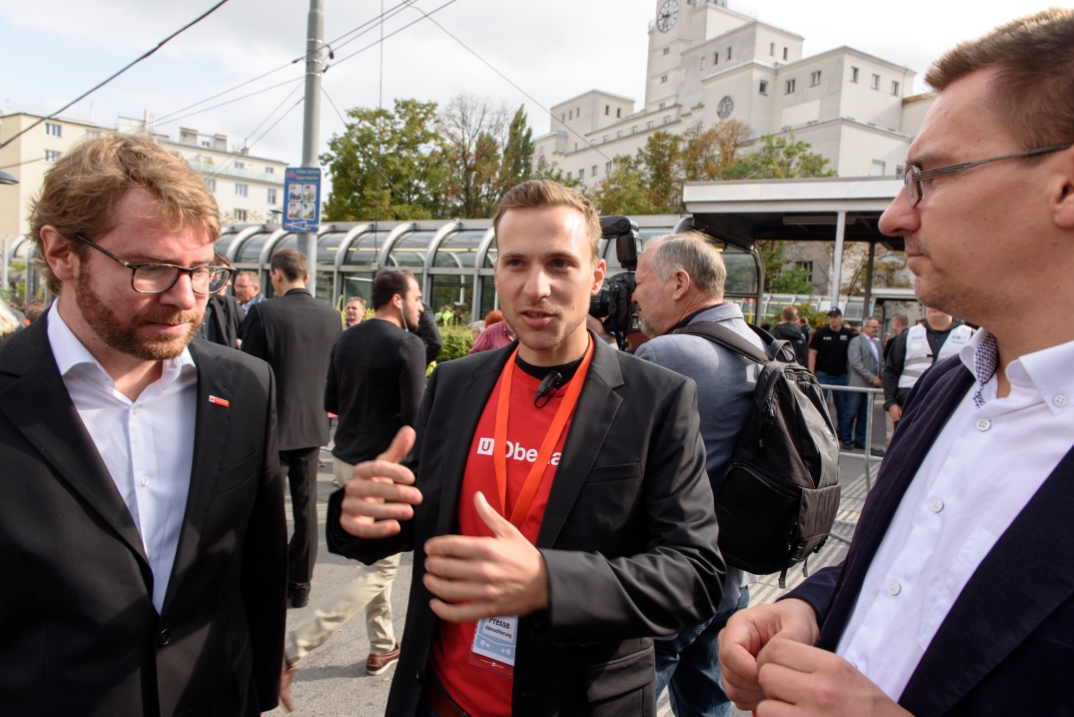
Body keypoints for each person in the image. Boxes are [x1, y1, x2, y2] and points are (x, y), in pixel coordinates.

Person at [719, 10, 1074, 714]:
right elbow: (902, 573)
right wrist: (811, 609)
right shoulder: (954, 381)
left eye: (929, 176)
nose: (893, 216)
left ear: (1065, 189)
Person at [327, 179, 723, 716]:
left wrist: (547, 581)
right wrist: (361, 514)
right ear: (498, 273)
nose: (536, 287)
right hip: (440, 699)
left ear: (596, 275)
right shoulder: (454, 384)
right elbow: (415, 515)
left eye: (560, 264)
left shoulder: (659, 399)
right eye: (516, 263)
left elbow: (693, 575)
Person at [1, 133, 286, 715]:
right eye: (150, 269)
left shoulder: (246, 387)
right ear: (61, 253)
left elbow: (258, 571)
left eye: (202, 270)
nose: (185, 298)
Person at [280, 269, 428, 709]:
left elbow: (331, 400)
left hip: (344, 462)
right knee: (382, 569)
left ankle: (382, 646)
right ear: (398, 301)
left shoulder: (348, 338)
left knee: (375, 566)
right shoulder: (407, 345)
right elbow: (415, 418)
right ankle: (293, 648)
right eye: (417, 298)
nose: (422, 307)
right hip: (383, 468)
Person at [631, 232, 762, 717]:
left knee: (620, 698)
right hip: (732, 577)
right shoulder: (758, 344)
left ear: (680, 282)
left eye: (642, 283)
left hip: (671, 579)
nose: (634, 296)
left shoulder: (667, 356)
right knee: (708, 704)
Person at [242, 248, 341, 608]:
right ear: (308, 277)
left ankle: (268, 580)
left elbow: (249, 372)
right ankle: (300, 584)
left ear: (276, 275)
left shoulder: (264, 312)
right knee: (305, 508)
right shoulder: (332, 316)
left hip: (272, 426)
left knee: (267, 511)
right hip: (313, 426)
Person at [882, 307, 974, 428]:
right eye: (929, 303)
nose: (932, 307)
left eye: (937, 302)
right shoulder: (908, 335)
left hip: (952, 405)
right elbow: (890, 371)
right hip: (909, 406)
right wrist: (891, 403)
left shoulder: (971, 336)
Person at [809, 307, 856, 448]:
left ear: (841, 317)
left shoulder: (848, 334)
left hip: (841, 375)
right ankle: (819, 434)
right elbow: (812, 353)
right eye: (830, 316)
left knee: (842, 407)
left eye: (835, 316)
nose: (833, 318)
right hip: (823, 374)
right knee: (820, 406)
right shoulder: (821, 333)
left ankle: (841, 434)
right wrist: (812, 373)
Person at [846, 317, 884, 453]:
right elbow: (855, 362)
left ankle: (860, 440)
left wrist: (882, 378)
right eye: (874, 327)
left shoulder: (878, 343)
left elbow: (880, 362)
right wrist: (872, 378)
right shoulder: (856, 342)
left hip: (871, 386)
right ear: (866, 327)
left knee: (865, 415)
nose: (876, 329)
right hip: (858, 383)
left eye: (877, 327)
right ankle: (846, 439)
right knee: (851, 413)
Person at [196, 276, 245, 348]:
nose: (229, 283)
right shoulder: (183, 306)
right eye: (223, 275)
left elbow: (249, 334)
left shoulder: (230, 304)